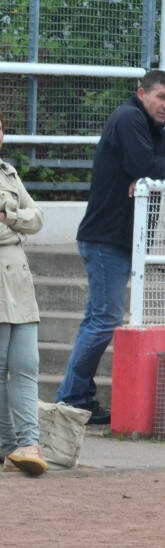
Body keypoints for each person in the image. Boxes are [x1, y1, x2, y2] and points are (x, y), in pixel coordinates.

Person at [55, 70, 165, 424]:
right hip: (106, 239)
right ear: (142, 94)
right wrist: (151, 170)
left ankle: (76, 397)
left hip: (118, 239)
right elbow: (147, 164)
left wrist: (151, 171)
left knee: (98, 319)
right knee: (106, 319)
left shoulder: (157, 132)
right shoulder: (129, 118)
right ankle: (71, 399)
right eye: (161, 97)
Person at [0, 108, 49, 477]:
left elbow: (37, 218)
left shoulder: (8, 172)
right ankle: (8, 445)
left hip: (19, 281)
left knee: (27, 366)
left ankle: (29, 445)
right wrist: (17, 224)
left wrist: (10, 219)